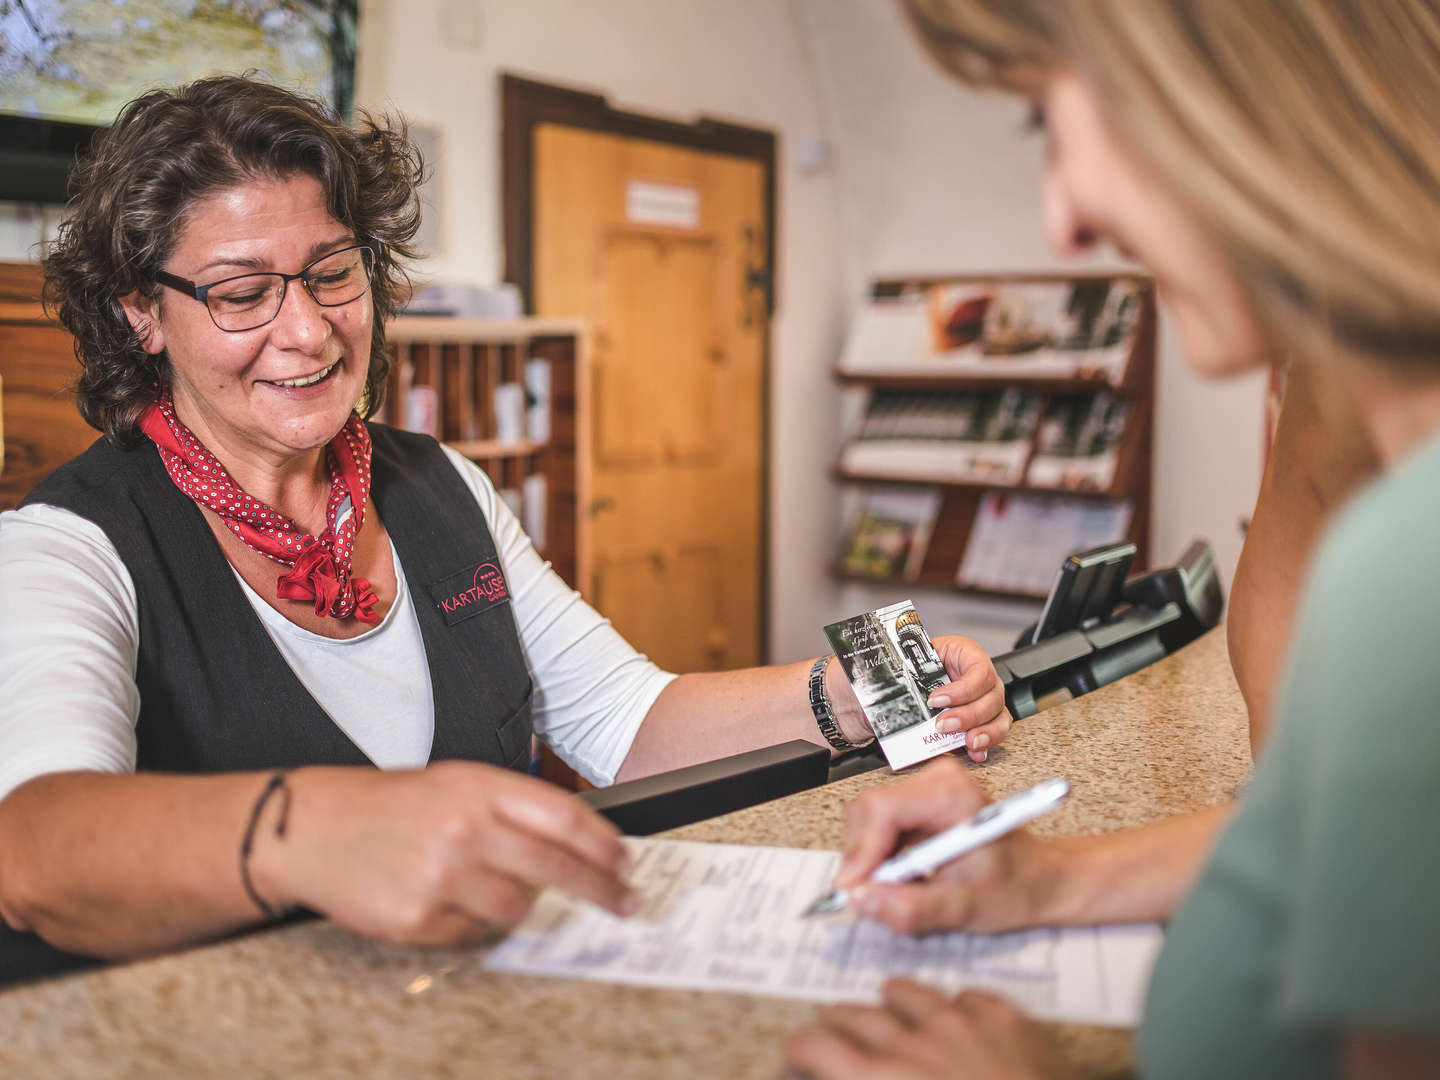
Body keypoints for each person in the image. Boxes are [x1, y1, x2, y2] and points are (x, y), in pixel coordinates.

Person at [0, 76, 1013, 962]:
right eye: (240, 294)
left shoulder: (440, 488)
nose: (305, 329)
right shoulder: (68, 546)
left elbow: (626, 721)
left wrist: (866, 689)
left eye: (332, 273)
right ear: (140, 310)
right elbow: (37, 850)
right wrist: (312, 828)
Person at [785, 1, 1439, 1077]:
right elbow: (1329, 847)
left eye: (1045, 119)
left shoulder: (1409, 564)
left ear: (1232, 92)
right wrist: (1050, 884)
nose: (1064, 222)